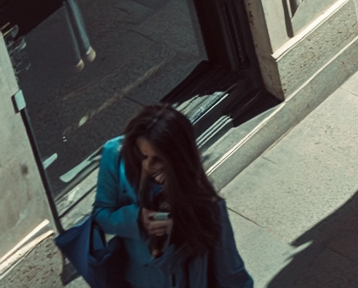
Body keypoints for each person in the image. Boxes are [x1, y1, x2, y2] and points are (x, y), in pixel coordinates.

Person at [93, 104, 253, 288]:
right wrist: (135, 219)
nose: (147, 166)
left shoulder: (206, 204)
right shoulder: (115, 154)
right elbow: (101, 214)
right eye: (141, 155)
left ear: (177, 159)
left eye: (158, 159)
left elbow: (230, 272)